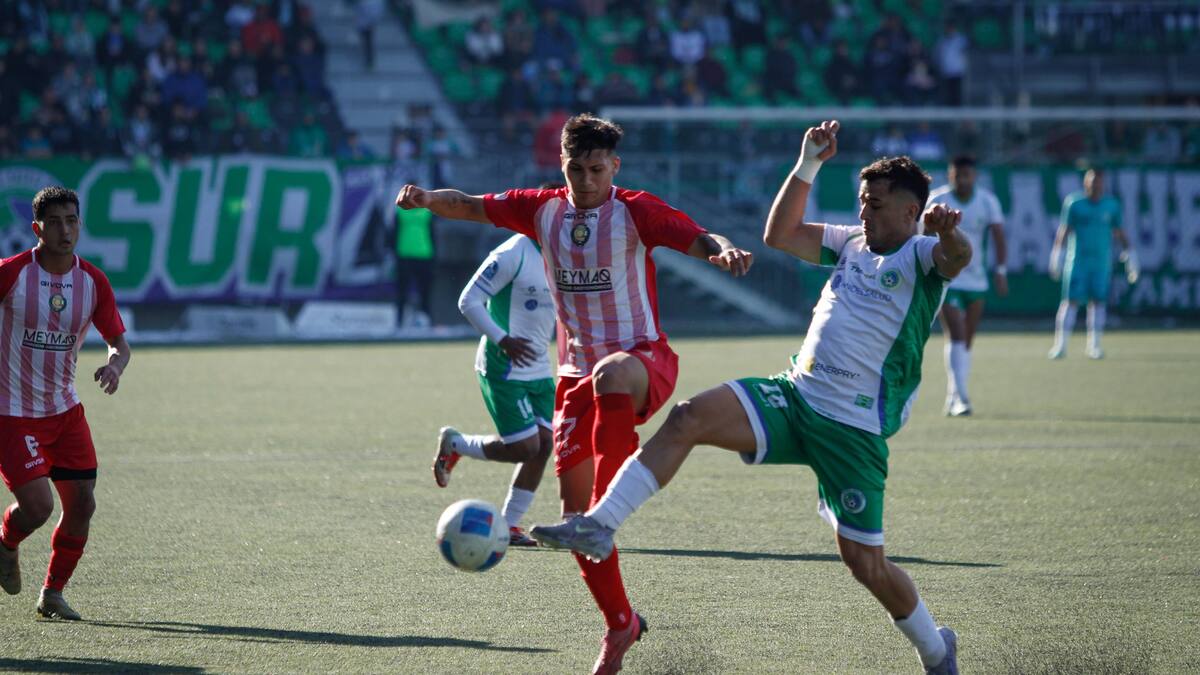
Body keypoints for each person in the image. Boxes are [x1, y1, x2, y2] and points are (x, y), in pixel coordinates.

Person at [531, 121, 968, 675]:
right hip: (795, 395)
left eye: (876, 205)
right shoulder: (851, 242)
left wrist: (947, 234)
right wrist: (807, 163)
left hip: (853, 429)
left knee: (866, 565)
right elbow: (780, 235)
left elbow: (957, 258)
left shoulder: (923, 256)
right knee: (687, 418)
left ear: (910, 212)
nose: (864, 212)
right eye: (861, 201)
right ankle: (600, 524)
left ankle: (935, 650)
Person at [397, 113, 753, 675]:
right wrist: (424, 199)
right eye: (575, 169)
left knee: (609, 383)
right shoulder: (540, 209)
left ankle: (610, 507)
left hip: (642, 361)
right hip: (573, 378)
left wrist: (724, 250)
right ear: (561, 165)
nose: (586, 180)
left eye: (596, 169)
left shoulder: (635, 210)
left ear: (615, 166)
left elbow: (700, 235)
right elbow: (468, 204)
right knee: (574, 520)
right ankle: (620, 624)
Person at [0, 187, 131, 620]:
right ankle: (5, 543)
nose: (64, 230)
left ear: (80, 224)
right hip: (12, 413)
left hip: (65, 412)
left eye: (71, 221)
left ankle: (52, 594)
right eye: (54, 222)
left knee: (83, 505)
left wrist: (114, 366)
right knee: (38, 508)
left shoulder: (92, 281)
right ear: (37, 229)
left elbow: (119, 344)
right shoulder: (11, 274)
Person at [434, 222, 556, 546]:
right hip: (503, 365)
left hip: (540, 367)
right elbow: (468, 301)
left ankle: (509, 525)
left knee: (545, 444)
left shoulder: (568, 252)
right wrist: (503, 340)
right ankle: (457, 444)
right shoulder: (513, 252)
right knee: (525, 448)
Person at [926, 155, 1007, 416]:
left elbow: (998, 236)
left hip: (976, 279)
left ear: (974, 176)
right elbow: (923, 235)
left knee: (966, 340)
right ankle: (962, 398)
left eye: (966, 175)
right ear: (950, 175)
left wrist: (1001, 271)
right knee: (957, 334)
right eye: (956, 175)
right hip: (946, 277)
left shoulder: (987, 201)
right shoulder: (938, 199)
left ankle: (952, 395)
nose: (962, 180)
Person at [1048, 168, 1135, 360]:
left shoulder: (1111, 205)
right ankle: (1060, 345)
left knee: (1098, 302)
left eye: (1098, 181)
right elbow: (1064, 230)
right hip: (1077, 262)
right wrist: (1057, 255)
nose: (1095, 185)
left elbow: (1120, 232)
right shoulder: (1074, 203)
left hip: (1101, 263)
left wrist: (1131, 256)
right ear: (1085, 182)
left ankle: (1094, 345)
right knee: (1070, 302)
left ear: (1103, 183)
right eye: (1092, 181)